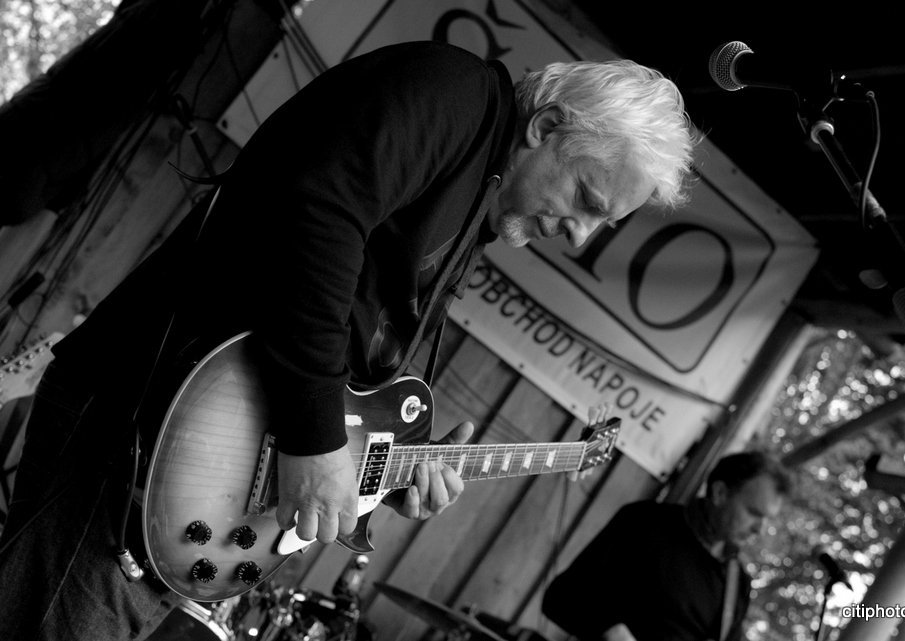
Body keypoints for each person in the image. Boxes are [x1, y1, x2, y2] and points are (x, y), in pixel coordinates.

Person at [0, 39, 695, 640]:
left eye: (602, 224)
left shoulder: (467, 212)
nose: (580, 235)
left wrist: (389, 466)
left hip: (191, 469)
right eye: (587, 201)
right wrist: (315, 437)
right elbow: (318, 213)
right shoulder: (452, 92)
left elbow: (351, 360)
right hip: (143, 422)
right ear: (544, 127)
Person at [542, 451, 790, 641]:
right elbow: (561, 597)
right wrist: (612, 631)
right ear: (720, 493)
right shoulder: (645, 522)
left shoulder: (738, 585)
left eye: (767, 519)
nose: (760, 529)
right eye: (754, 513)